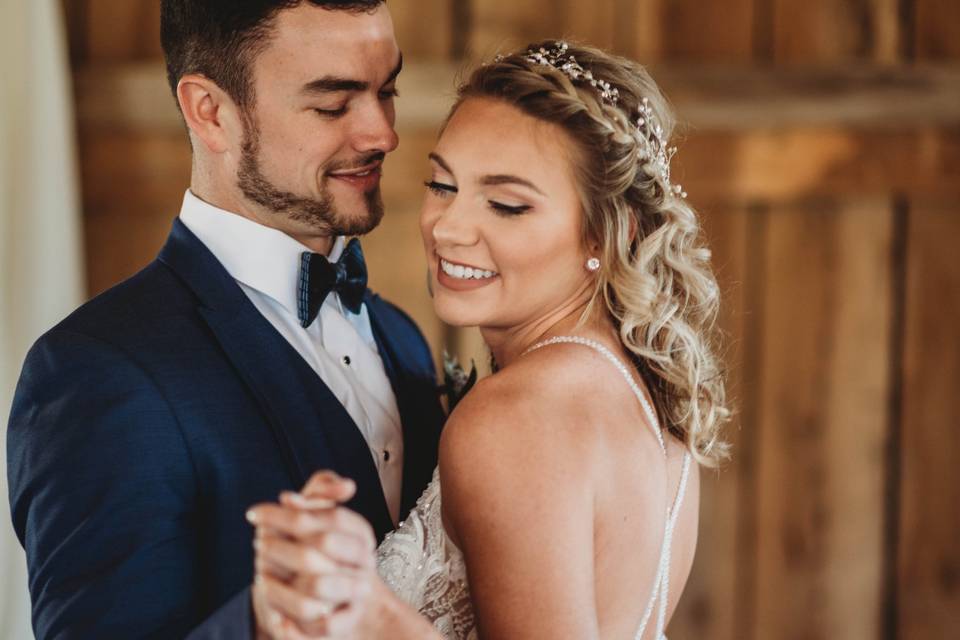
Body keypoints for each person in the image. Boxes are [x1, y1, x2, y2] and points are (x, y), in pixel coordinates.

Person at [248, 40, 731, 639]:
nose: (448, 227)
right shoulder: (640, 393)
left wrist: (371, 615)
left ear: (608, 234)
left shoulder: (515, 417)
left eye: (506, 205)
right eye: (442, 185)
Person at [5, 1, 444, 638]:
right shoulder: (95, 372)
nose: (382, 133)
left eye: (388, 90)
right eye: (332, 103)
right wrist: (264, 621)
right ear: (210, 111)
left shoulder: (402, 336)